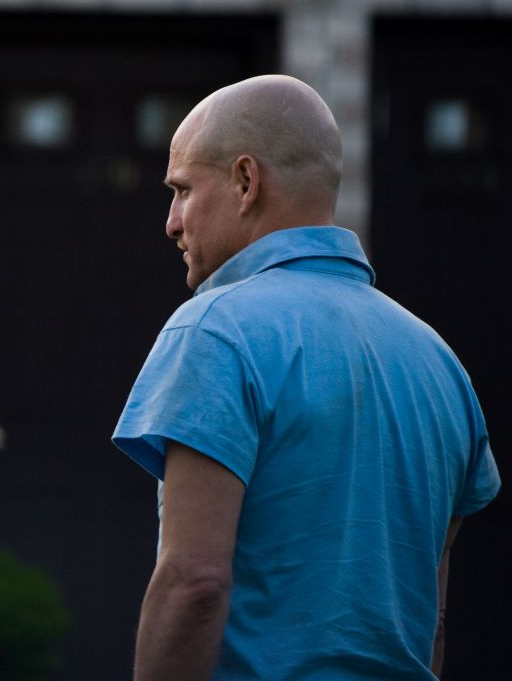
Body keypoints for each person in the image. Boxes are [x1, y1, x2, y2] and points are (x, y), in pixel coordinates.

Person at [112, 75, 500, 680]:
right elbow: (430, 616)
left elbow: (195, 582)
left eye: (184, 190)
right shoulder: (439, 363)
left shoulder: (216, 331)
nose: (172, 222)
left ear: (246, 181)